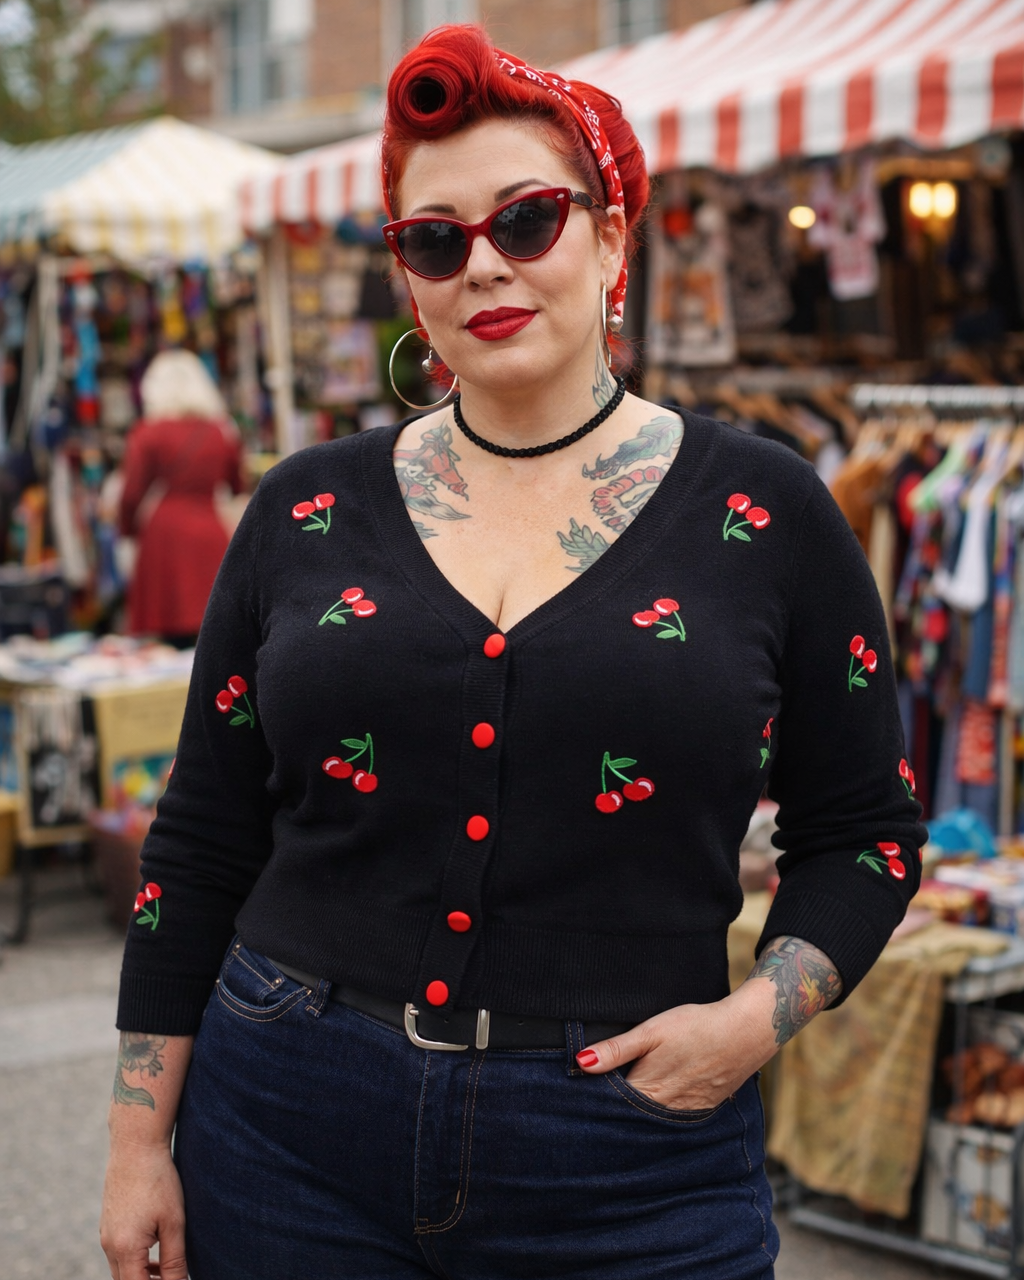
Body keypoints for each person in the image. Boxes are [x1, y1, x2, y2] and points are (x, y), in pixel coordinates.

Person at [101, 25, 925, 1280]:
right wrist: (133, 1141)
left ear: (610, 238)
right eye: (434, 237)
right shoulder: (304, 505)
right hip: (285, 1127)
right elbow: (205, 831)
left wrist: (754, 1022)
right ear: (411, 280)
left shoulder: (767, 512)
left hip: (629, 1158)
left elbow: (866, 830)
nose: (481, 263)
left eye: (526, 219)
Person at [119, 349, 243, 648]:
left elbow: (131, 494)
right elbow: (236, 484)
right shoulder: (221, 432)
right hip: (210, 531)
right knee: (213, 634)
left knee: (167, 639)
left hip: (163, 538)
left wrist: (127, 533)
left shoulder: (148, 433)